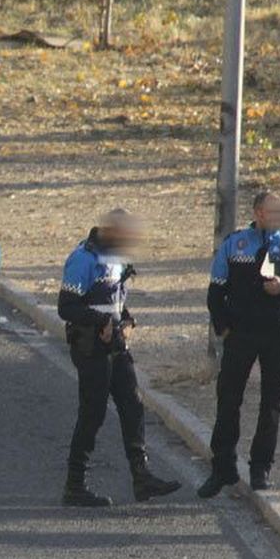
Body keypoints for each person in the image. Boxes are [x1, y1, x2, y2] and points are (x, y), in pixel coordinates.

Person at [58, 209, 182, 507]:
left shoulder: (116, 259)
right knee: (93, 412)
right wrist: (99, 323)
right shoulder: (83, 259)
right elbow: (67, 306)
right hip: (90, 346)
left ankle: (142, 477)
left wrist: (126, 323)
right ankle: (75, 484)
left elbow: (116, 304)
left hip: (115, 344)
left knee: (132, 406)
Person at [198, 190, 280, 496]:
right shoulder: (236, 244)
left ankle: (260, 467)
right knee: (228, 399)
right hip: (241, 333)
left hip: (277, 333)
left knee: (272, 401)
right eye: (271, 211)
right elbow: (216, 292)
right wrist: (223, 328)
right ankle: (222, 468)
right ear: (258, 213)